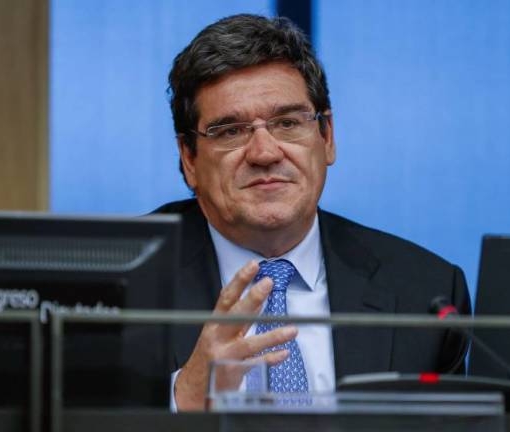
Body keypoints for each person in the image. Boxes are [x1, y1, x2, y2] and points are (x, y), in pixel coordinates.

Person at [155, 14, 470, 411]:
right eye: (231, 131)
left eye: (288, 123)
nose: (265, 153)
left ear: (327, 137)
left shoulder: (425, 294)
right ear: (189, 158)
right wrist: (183, 398)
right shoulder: (115, 287)